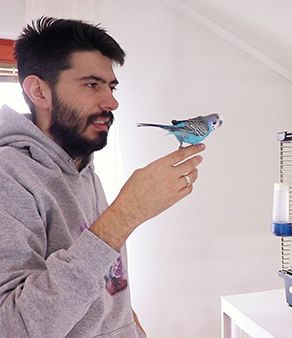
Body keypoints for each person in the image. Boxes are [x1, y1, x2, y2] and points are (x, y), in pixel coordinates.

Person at [0, 17, 204, 337]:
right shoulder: (7, 177)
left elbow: (107, 283)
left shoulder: (84, 168)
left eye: (111, 86)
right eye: (92, 84)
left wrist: (135, 330)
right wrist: (125, 214)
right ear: (39, 90)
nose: (112, 102)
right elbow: (15, 327)